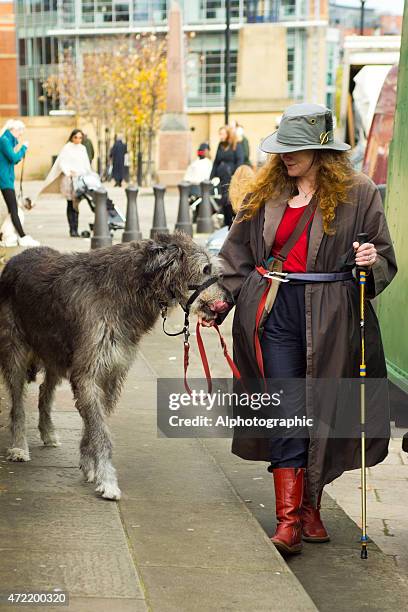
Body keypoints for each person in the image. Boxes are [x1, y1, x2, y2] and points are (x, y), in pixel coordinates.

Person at [201, 103, 397, 555]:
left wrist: (370, 262)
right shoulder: (264, 192)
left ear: (321, 151)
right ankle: (288, 521)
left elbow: (383, 257)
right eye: (282, 149)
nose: (285, 157)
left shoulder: (360, 192)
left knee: (321, 412)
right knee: (288, 407)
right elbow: (236, 258)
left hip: (333, 315)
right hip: (273, 312)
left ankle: (310, 507)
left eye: (295, 150)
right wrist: (221, 301)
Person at [33, 129, 92, 237]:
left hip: (79, 179)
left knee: (77, 203)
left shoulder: (83, 149)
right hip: (68, 179)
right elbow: (62, 162)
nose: (78, 140)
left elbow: (86, 164)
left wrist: (86, 175)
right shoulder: (67, 148)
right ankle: (72, 229)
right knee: (70, 203)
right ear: (71, 137)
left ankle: (76, 228)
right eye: (76, 137)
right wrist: (69, 171)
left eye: (80, 137)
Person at [0, 119, 39, 247]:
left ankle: (8, 236)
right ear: (14, 129)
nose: (21, 134)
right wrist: (23, 148)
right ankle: (22, 236)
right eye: (20, 131)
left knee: (12, 209)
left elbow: (13, 160)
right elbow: (14, 158)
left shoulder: (7, 140)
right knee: (14, 209)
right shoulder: (4, 140)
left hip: (7, 178)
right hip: (4, 179)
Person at [210, 126, 244, 227]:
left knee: (230, 200)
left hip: (232, 178)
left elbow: (240, 161)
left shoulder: (236, 145)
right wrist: (211, 177)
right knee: (223, 200)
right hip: (222, 178)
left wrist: (235, 176)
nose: (220, 136)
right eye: (220, 134)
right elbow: (216, 162)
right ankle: (226, 222)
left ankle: (233, 223)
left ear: (228, 134)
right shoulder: (220, 145)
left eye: (222, 134)